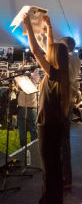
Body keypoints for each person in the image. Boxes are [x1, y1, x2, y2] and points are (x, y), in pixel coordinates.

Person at [24, 14, 70, 203]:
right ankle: (53, 198)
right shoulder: (60, 73)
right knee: (54, 167)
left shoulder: (53, 74)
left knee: (48, 168)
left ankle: (49, 200)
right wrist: (48, 27)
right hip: (56, 126)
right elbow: (50, 49)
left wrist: (27, 25)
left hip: (48, 127)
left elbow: (36, 51)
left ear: (53, 57)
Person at [60, 36, 78, 190]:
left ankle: (65, 177)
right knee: (64, 140)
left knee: (63, 141)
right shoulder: (75, 58)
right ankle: (66, 176)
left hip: (65, 100)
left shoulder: (69, 59)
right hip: (69, 98)